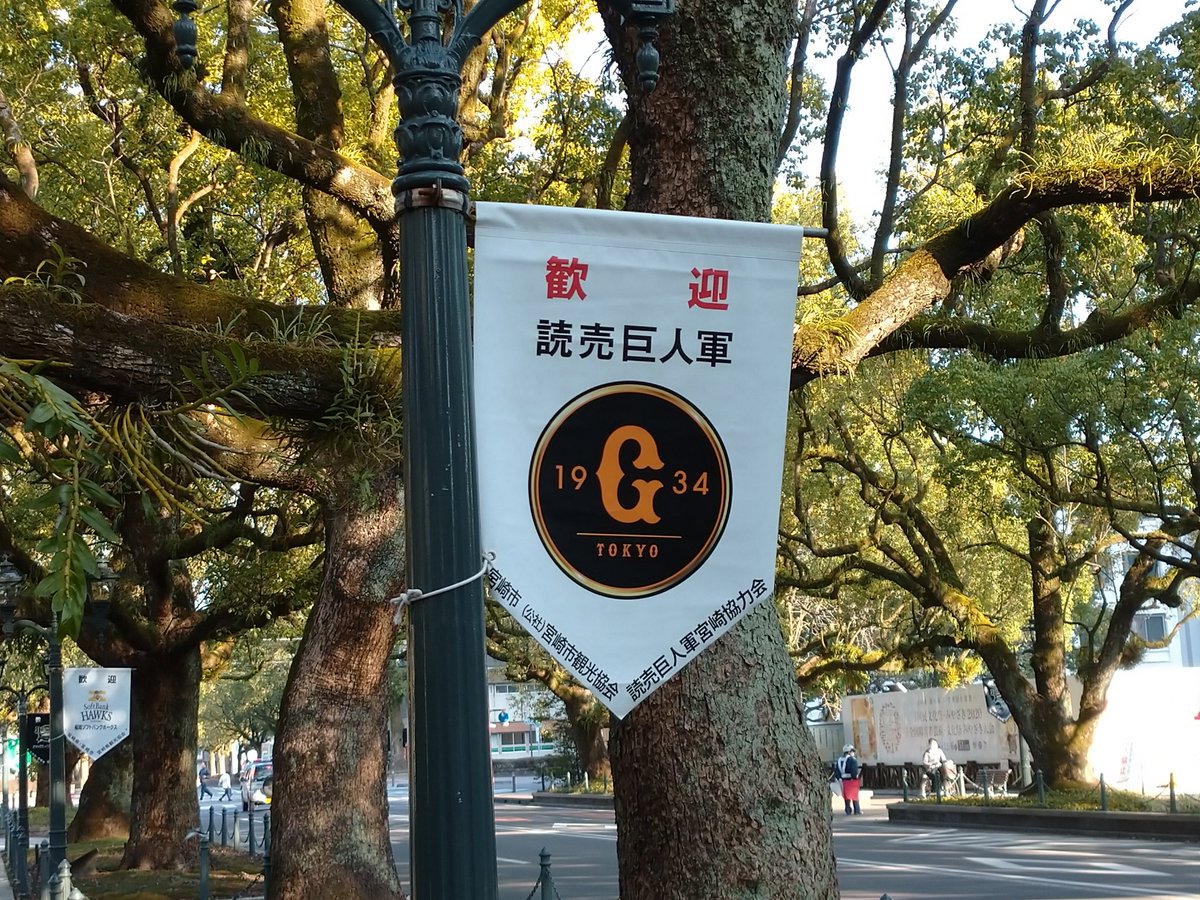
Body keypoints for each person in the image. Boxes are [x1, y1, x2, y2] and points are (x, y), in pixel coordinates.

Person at [834, 743, 862, 815]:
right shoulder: (852, 760)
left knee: (846, 796)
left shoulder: (839, 760)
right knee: (854, 795)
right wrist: (855, 777)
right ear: (849, 752)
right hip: (851, 780)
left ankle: (848, 809)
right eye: (852, 751)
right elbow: (854, 771)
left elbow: (836, 771)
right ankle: (857, 810)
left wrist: (839, 778)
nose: (853, 753)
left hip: (843, 780)